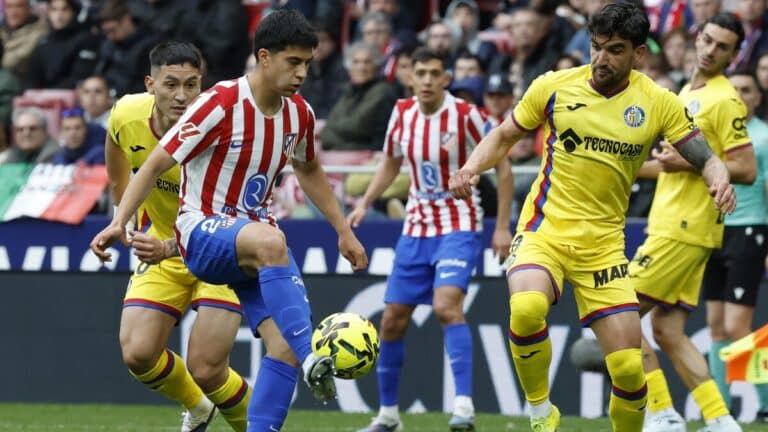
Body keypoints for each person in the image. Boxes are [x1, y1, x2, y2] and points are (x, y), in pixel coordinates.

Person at [449, 3, 736, 431]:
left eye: (615, 50)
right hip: (544, 229)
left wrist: (719, 178)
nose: (601, 59)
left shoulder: (659, 103)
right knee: (526, 308)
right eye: (596, 47)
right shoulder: (554, 86)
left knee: (629, 370)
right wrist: (471, 167)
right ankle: (541, 412)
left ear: (639, 53)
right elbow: (505, 135)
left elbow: (706, 157)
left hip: (603, 248)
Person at [90, 10, 368, 432]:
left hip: (250, 245)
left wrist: (343, 231)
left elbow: (309, 168)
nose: (302, 73)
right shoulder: (220, 102)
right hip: (200, 231)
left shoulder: (300, 114)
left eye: (308, 64)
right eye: (293, 62)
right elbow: (155, 163)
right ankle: (313, 356)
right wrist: (119, 221)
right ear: (264, 57)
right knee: (272, 244)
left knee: (281, 347)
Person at [349, 46, 513, 432]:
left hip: (459, 222)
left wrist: (502, 226)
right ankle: (388, 416)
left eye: (434, 73)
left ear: (446, 79)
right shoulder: (402, 113)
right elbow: (391, 163)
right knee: (392, 319)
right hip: (416, 225)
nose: (426, 80)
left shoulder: (466, 115)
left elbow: (503, 168)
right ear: (410, 77)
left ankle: (464, 407)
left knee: (446, 306)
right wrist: (365, 203)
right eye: (419, 73)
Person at [103, 41, 252, 432]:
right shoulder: (126, 114)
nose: (182, 96)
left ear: (203, 84)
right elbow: (117, 152)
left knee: (207, 368)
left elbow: (228, 216)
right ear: (150, 84)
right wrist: (122, 216)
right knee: (138, 354)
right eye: (171, 84)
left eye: (191, 84)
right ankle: (199, 408)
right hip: (162, 247)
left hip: (220, 250)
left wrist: (168, 247)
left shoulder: (223, 131)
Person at [630, 13, 755, 432]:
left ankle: (661, 411)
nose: (711, 50)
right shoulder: (687, 91)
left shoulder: (725, 99)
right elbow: (672, 167)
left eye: (723, 47)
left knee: (616, 313)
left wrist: (686, 163)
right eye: (708, 40)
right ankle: (721, 420)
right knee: (667, 330)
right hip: (677, 225)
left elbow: (746, 168)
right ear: (697, 37)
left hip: (683, 228)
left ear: (734, 56)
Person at [703, 69, 768, 424]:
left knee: (737, 326)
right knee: (715, 325)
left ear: (758, 97)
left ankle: (766, 404)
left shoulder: (764, 136)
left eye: (747, 89)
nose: (740, 95)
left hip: (749, 229)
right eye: (735, 89)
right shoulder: (716, 133)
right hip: (712, 231)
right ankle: (721, 412)